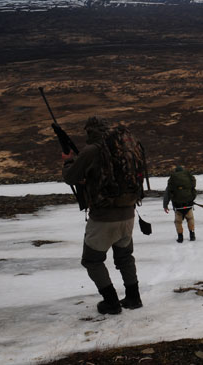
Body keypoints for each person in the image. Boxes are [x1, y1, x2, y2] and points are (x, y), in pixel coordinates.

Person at [62, 116, 143, 314]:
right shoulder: (122, 148)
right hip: (128, 213)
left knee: (92, 260)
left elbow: (71, 177)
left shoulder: (92, 151)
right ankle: (134, 298)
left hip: (103, 218)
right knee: (124, 257)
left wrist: (68, 161)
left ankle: (112, 303)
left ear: (90, 132)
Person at [163, 166, 198, 243]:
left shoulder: (172, 181)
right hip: (188, 204)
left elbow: (167, 194)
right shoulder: (188, 180)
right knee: (190, 219)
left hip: (177, 205)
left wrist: (165, 205)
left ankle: (180, 237)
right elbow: (193, 190)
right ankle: (192, 235)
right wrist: (192, 199)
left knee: (178, 222)